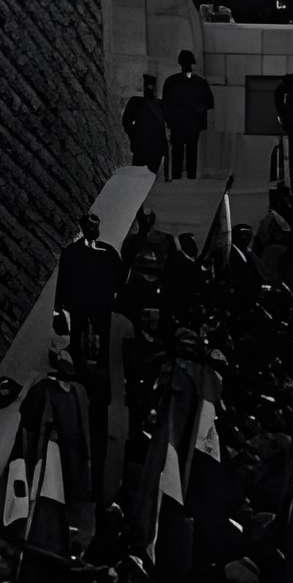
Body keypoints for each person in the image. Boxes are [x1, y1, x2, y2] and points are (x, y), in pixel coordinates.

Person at [55, 211, 123, 375]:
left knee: (84, 338)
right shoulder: (105, 251)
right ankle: (94, 369)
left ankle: (85, 370)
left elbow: (63, 281)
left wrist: (60, 305)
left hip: (87, 304)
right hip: (93, 304)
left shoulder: (73, 252)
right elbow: (120, 277)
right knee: (94, 338)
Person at [160, 49, 214, 180]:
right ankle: (189, 177)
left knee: (179, 152)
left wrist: (168, 120)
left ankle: (178, 176)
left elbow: (165, 104)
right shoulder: (199, 82)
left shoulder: (171, 82)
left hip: (180, 123)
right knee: (190, 152)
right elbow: (209, 102)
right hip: (190, 123)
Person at [123, 73, 168, 175]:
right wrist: (135, 136)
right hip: (143, 147)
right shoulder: (136, 102)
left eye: (152, 86)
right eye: (148, 85)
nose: (150, 88)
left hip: (154, 148)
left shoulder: (159, 104)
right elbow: (126, 121)